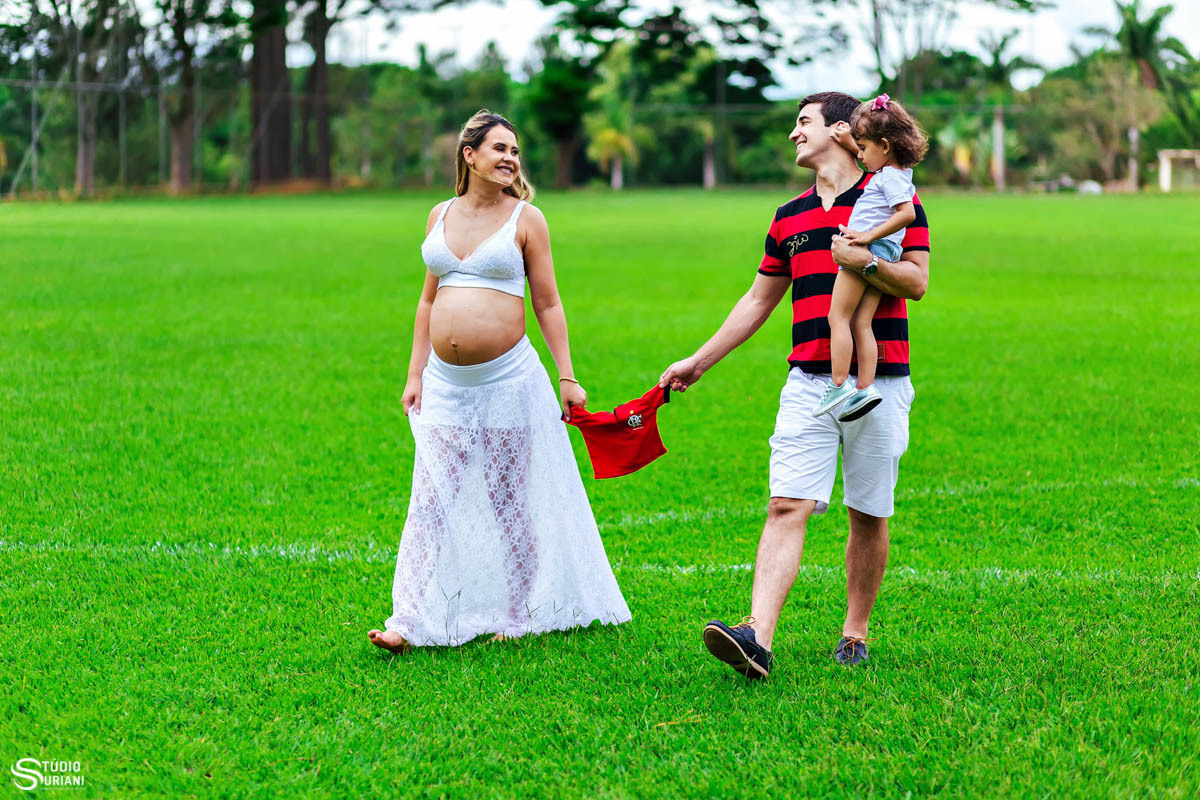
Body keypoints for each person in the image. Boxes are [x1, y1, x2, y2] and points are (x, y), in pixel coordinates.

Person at [659, 91, 931, 678]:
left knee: (868, 512)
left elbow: (916, 282)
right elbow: (758, 299)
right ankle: (756, 636)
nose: (792, 133)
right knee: (786, 503)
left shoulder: (887, 193)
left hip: (879, 382)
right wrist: (699, 361)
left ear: (841, 130)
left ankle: (854, 632)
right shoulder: (788, 216)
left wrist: (858, 259)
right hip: (808, 383)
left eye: (802, 122)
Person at [368, 110, 630, 653]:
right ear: (470, 155)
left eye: (515, 151)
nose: (511, 158)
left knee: (509, 496)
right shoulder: (437, 215)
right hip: (443, 384)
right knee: (431, 497)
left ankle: (520, 610)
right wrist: (415, 373)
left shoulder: (527, 219)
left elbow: (548, 302)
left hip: (509, 379)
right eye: (499, 149)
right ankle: (408, 620)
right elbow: (427, 299)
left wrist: (568, 376)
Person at [814, 93, 929, 422]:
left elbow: (906, 214)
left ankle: (838, 385)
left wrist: (866, 237)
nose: (860, 155)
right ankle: (865, 388)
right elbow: (874, 157)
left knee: (838, 318)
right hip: (881, 251)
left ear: (885, 146)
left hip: (867, 252)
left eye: (863, 149)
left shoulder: (890, 177)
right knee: (861, 323)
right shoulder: (895, 172)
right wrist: (850, 141)